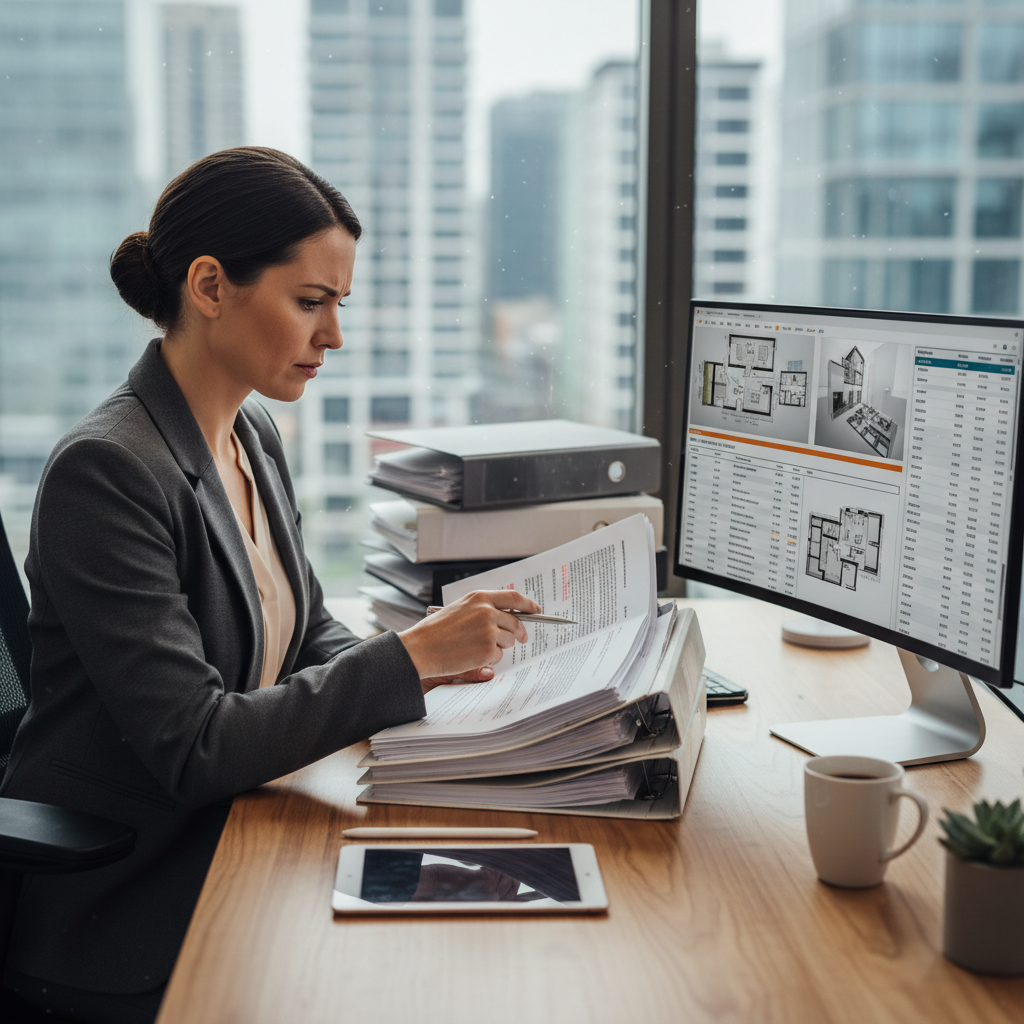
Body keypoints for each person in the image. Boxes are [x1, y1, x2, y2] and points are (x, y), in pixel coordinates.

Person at [0, 147, 540, 1024]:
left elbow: (306, 633)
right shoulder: (106, 472)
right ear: (210, 286)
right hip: (132, 882)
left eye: (338, 305)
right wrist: (404, 661)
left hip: (246, 825)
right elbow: (193, 745)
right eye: (310, 302)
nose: (334, 336)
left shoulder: (250, 431)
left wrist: (441, 672)